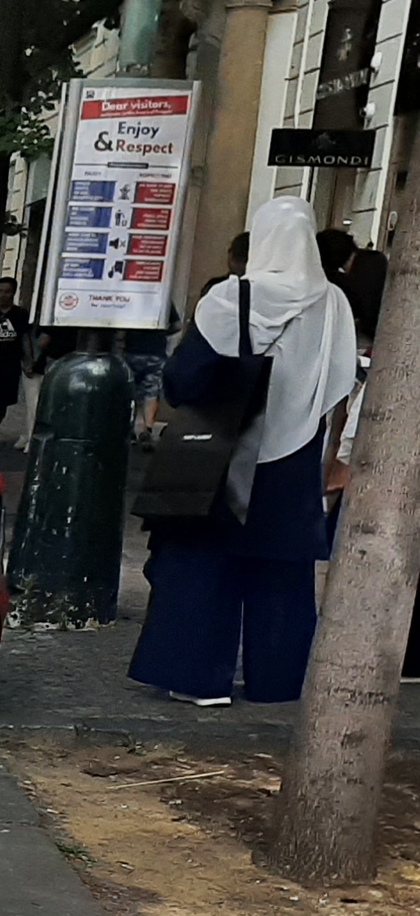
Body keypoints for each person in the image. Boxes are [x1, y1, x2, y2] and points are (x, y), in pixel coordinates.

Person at [127, 195, 359, 707]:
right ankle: (278, 681)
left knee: (200, 563)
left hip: (226, 453)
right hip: (297, 452)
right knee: (282, 575)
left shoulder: (232, 298)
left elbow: (186, 380)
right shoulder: (334, 302)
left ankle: (197, 678)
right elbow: (342, 379)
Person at [0, 277, 28, 422]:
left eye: (7, 292)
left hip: (10, 364)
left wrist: (27, 360)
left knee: (3, 402)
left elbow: (25, 338)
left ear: (13, 293)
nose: (3, 295)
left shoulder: (20, 314)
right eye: (0, 291)